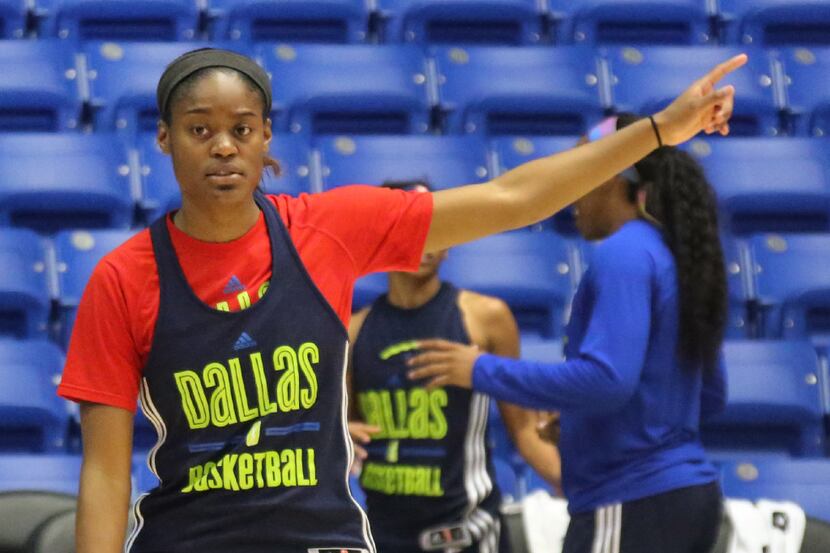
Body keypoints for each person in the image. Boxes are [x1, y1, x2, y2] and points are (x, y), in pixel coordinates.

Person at [55, 45, 744, 553]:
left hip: (324, 541)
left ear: (267, 138)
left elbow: (512, 197)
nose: (223, 147)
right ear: (164, 139)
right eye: (199, 128)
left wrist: (657, 130)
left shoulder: (330, 228)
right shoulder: (123, 279)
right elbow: (106, 470)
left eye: (242, 128)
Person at [408, 113, 731, 553]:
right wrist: (588, 419)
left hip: (630, 501)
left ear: (613, 174)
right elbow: (709, 394)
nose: (569, 191)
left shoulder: (624, 252)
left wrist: (479, 369)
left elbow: (606, 381)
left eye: (580, 171)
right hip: (689, 500)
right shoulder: (674, 251)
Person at [347, 180, 561, 553]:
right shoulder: (354, 331)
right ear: (381, 237)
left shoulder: (485, 318)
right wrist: (341, 435)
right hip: (383, 536)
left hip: (469, 534)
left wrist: (579, 485)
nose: (425, 240)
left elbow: (524, 431)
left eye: (434, 226)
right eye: (410, 228)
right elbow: (340, 431)